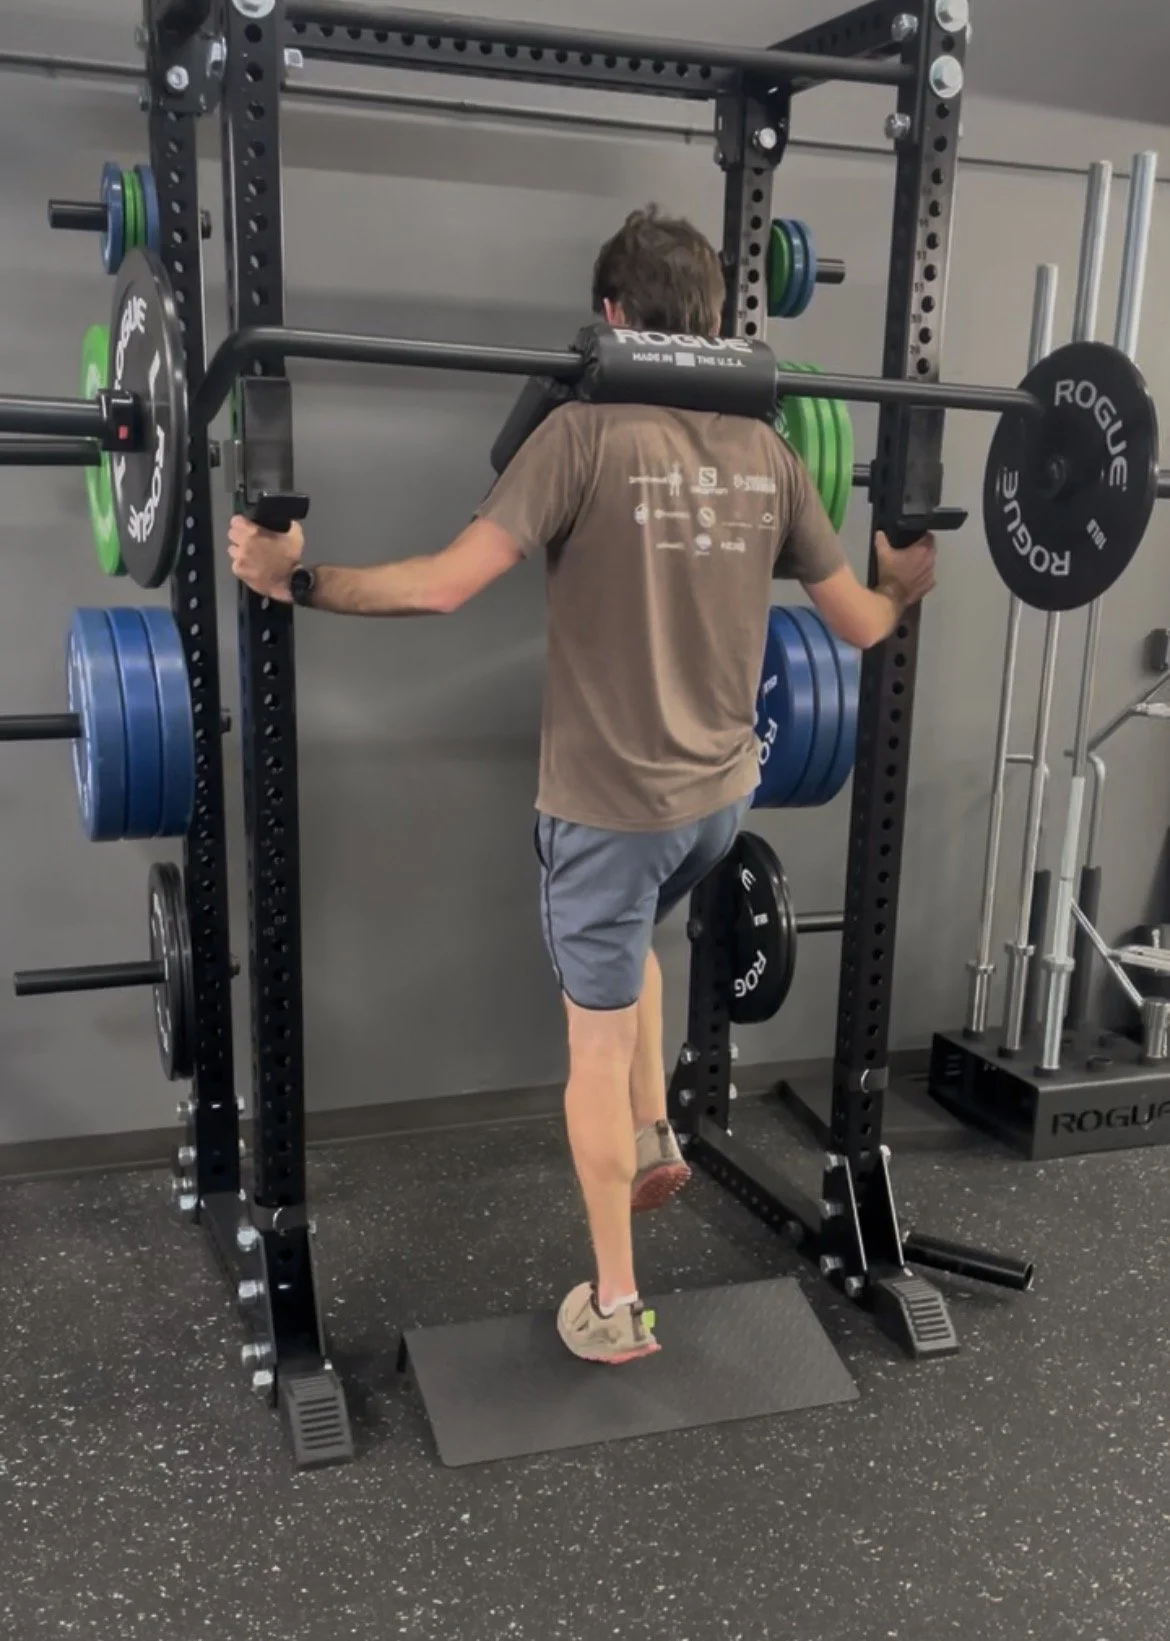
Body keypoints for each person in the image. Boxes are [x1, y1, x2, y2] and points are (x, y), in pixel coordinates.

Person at [228, 205, 937, 1368]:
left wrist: (295, 582)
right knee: (640, 950)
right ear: (712, 326)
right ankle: (659, 1132)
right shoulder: (768, 457)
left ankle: (615, 1303)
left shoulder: (580, 436)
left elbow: (443, 589)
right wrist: (909, 579)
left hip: (608, 817)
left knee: (591, 1055)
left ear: (610, 317)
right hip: (717, 804)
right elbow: (863, 621)